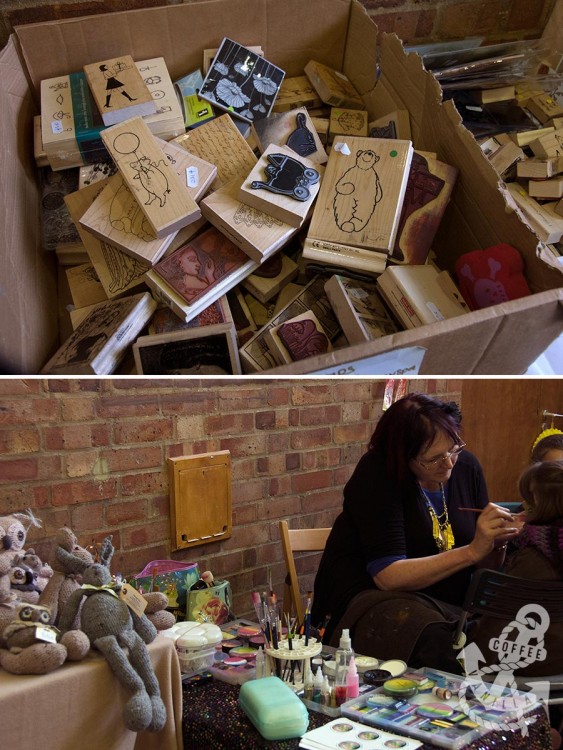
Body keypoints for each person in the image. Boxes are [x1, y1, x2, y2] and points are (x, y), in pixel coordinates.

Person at [311, 392, 520, 672]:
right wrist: (471, 551)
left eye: (453, 449)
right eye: (433, 459)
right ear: (402, 456)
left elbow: (481, 562)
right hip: (371, 598)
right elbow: (388, 576)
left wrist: (494, 543)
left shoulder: (465, 466)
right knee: (434, 639)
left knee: (503, 631)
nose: (448, 464)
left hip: (445, 602)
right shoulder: (379, 474)